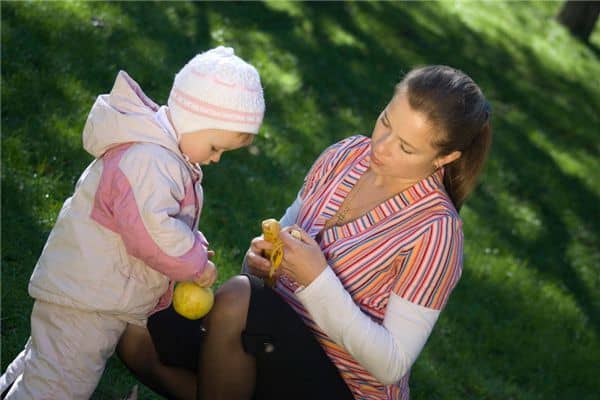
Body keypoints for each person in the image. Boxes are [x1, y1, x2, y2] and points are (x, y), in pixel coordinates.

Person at [117, 65, 492, 400]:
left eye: (406, 147)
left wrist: (317, 278)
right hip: (265, 341)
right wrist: (261, 262)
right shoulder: (344, 155)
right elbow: (282, 236)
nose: (380, 146)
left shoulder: (437, 231)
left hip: (344, 384)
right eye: (386, 122)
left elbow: (390, 364)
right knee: (137, 331)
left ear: (446, 158)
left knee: (237, 298)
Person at [0, 46, 265, 399]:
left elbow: (159, 220)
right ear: (193, 119)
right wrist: (194, 263)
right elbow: (152, 233)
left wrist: (191, 244)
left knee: (44, 363)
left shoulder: (160, 154)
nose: (215, 159)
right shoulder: (151, 160)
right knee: (59, 385)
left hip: (89, 290)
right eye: (216, 146)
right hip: (88, 297)